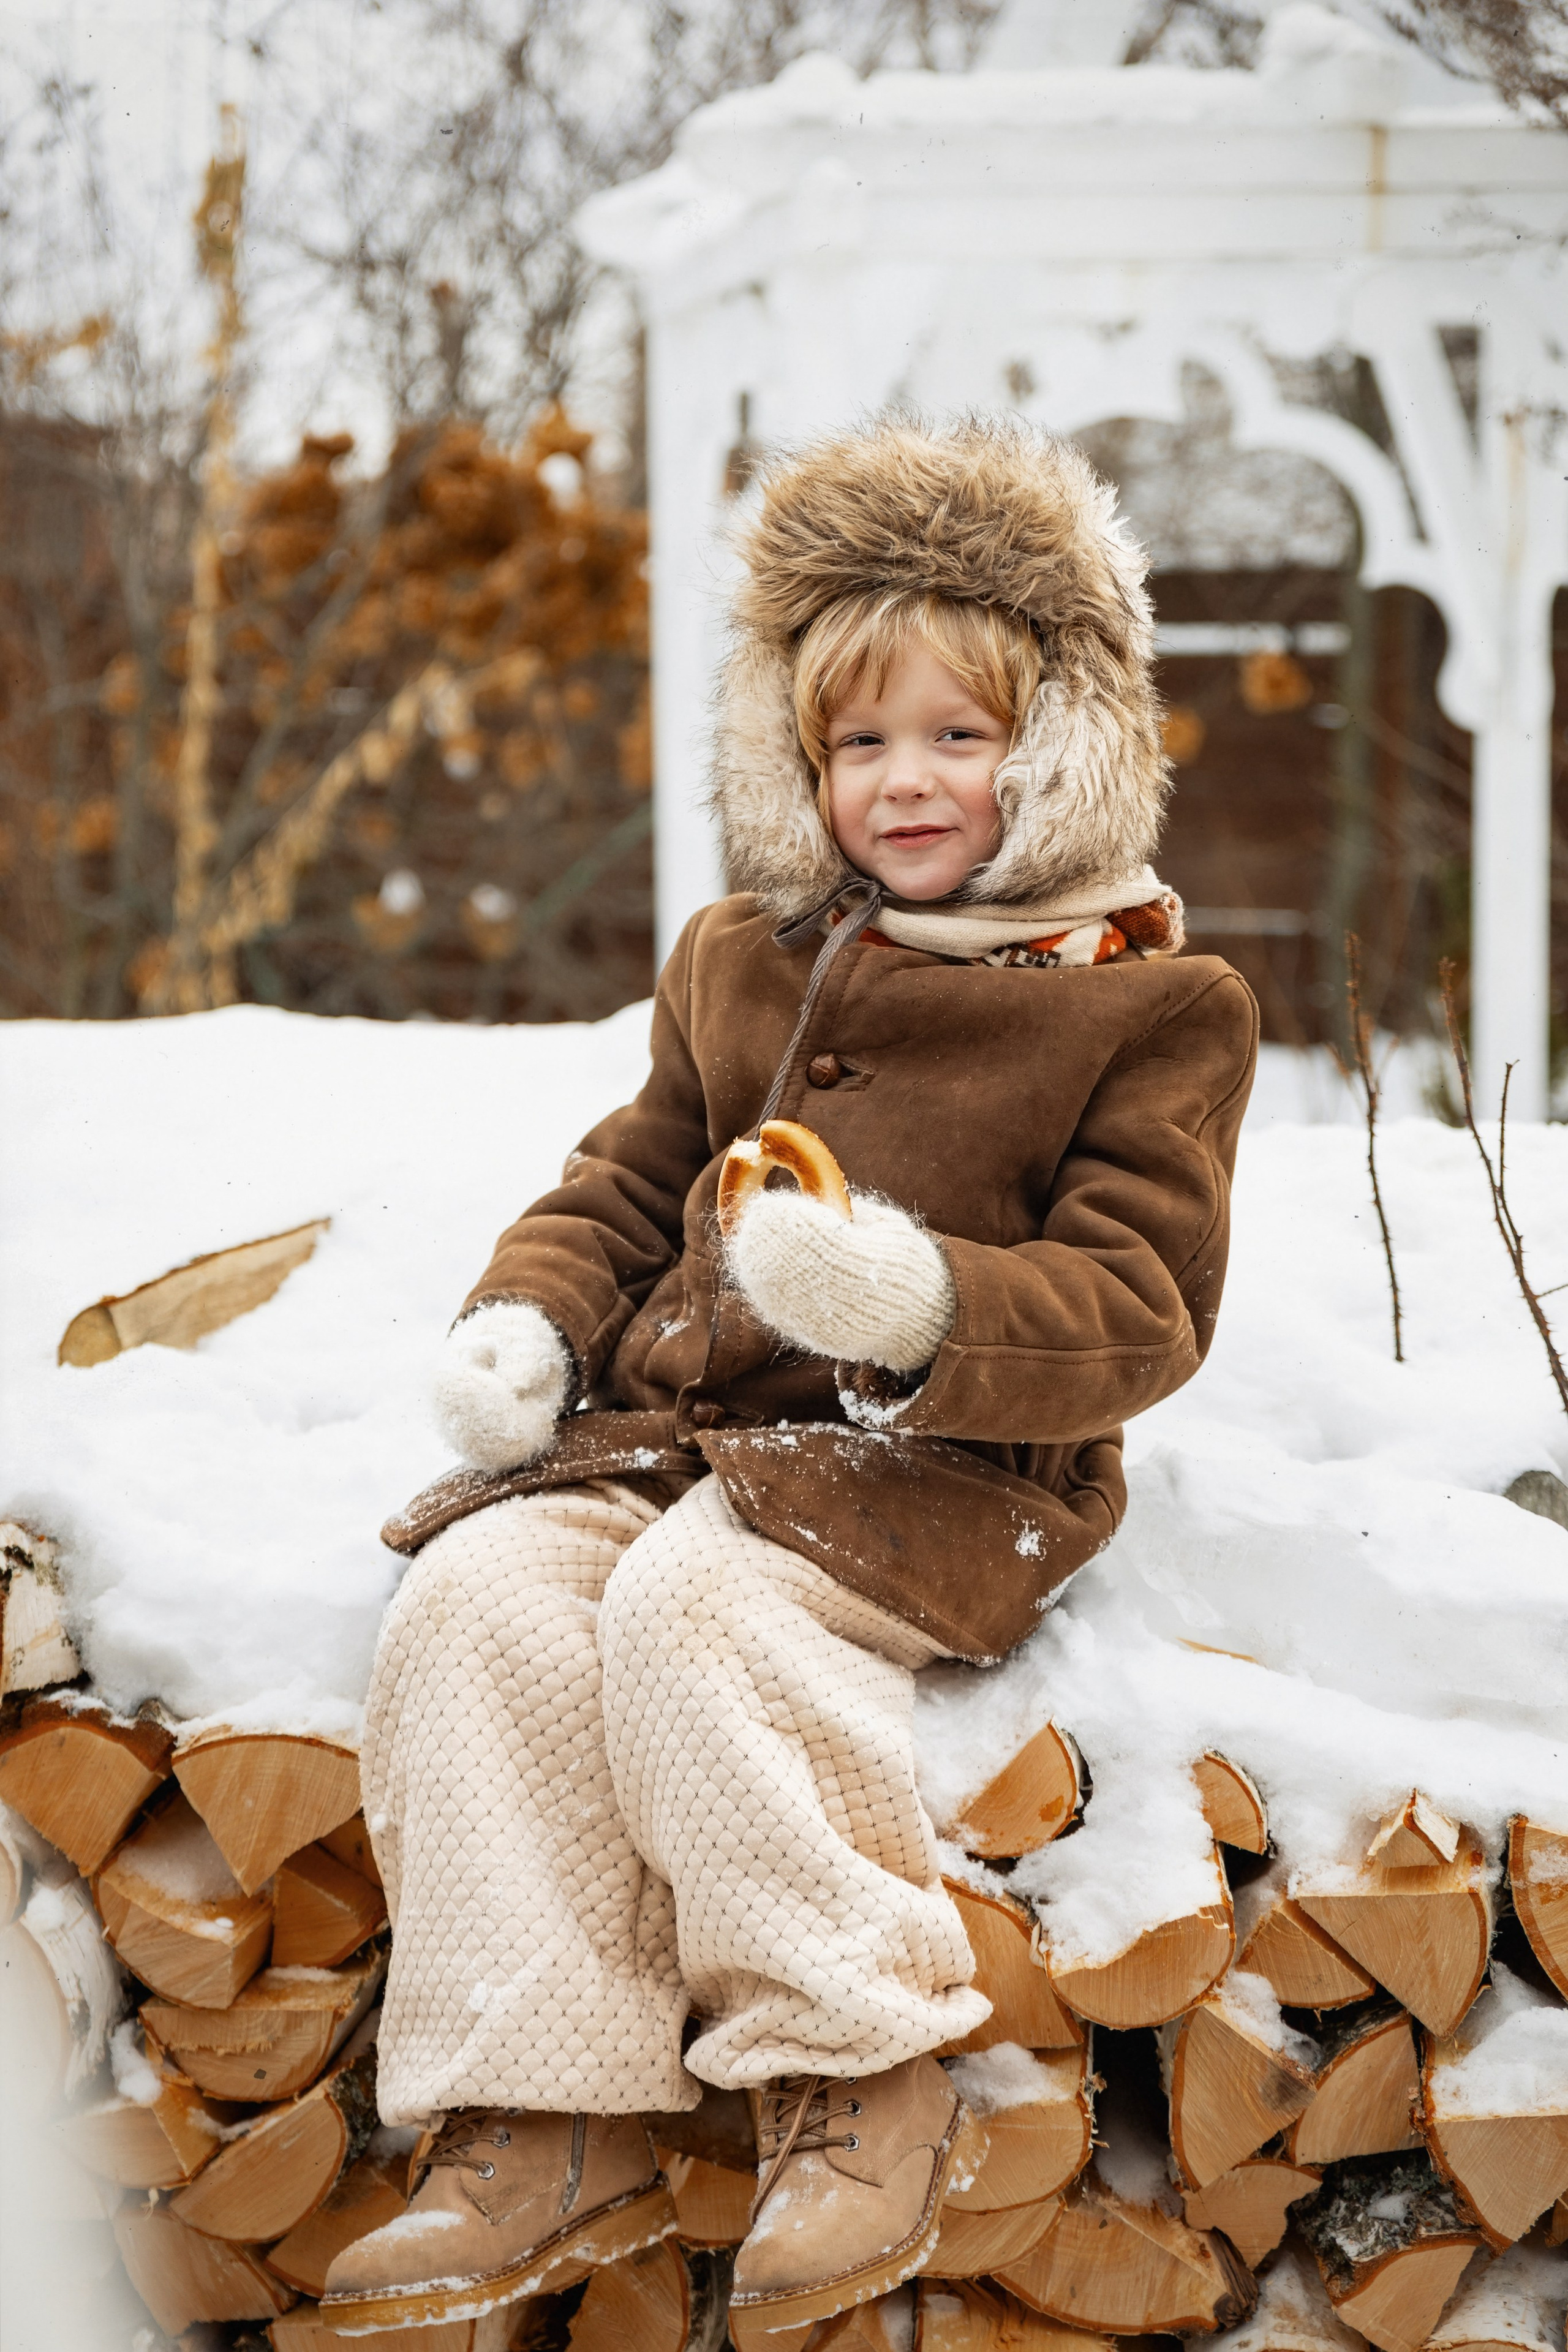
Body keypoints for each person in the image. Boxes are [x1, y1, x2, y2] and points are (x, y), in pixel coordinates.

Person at [322, 416, 1259, 2338]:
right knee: (488, 1595)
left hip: (949, 1474)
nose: (904, 780)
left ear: (1063, 741)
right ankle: (538, 2111)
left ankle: (858, 2070)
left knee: (700, 1612)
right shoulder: (739, 961)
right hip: (684, 1435)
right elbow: (629, 1179)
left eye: (959, 733)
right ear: (795, 759)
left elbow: (1142, 1301)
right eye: (859, 742)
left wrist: (919, 1303)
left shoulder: (1151, 1004)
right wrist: (531, 1318)